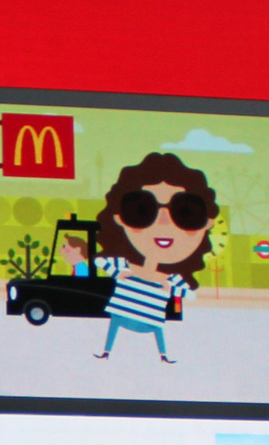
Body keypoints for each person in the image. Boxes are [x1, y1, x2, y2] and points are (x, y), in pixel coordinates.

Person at [79, 152, 218, 362]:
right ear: (119, 218)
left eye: (186, 213)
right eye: (141, 210)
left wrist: (166, 283)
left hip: (150, 319)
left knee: (156, 329)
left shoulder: (171, 279)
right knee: (116, 323)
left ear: (207, 223)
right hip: (122, 314)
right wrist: (132, 272)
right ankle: (108, 351)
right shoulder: (123, 265)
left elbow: (190, 294)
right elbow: (100, 261)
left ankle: (162, 355)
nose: (163, 223)